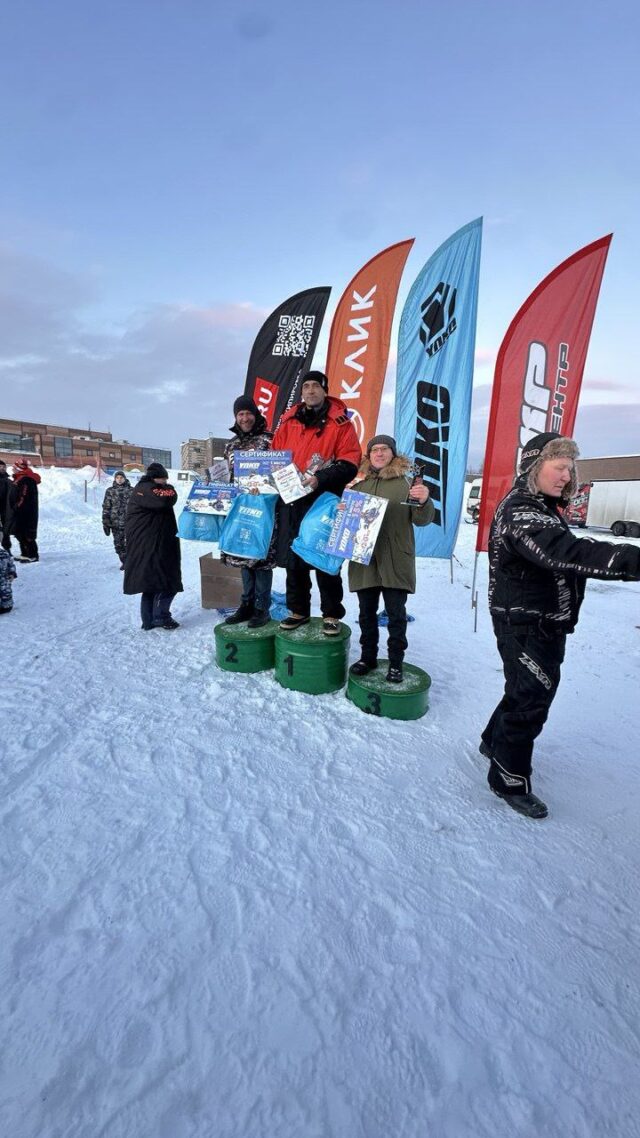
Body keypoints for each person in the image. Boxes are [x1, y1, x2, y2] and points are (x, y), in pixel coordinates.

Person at [482, 431, 640, 820]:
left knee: (522, 690)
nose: (567, 476)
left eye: (571, 468)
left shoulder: (544, 507)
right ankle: (508, 778)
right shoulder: (521, 510)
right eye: (559, 467)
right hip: (525, 623)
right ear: (534, 467)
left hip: (540, 622)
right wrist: (631, 560)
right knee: (531, 700)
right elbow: (564, 552)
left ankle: (493, 742)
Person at [272, 370, 361, 634]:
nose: (310, 391)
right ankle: (298, 610)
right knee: (294, 557)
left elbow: (350, 463)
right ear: (302, 392)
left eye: (315, 386)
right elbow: (275, 457)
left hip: (324, 501)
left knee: (325, 558)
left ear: (325, 390)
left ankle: (331, 614)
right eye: (306, 386)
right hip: (292, 500)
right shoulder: (288, 421)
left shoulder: (341, 423)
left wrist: (319, 478)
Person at [347, 436, 434, 682]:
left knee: (396, 615)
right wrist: (343, 511)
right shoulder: (358, 486)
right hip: (365, 560)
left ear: (393, 454)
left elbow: (422, 520)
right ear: (369, 456)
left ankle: (396, 663)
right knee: (366, 614)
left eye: (384, 449)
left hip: (395, 558)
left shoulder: (408, 483)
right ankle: (368, 657)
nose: (379, 453)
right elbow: (347, 524)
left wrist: (424, 501)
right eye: (374, 450)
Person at [222, 396, 275, 628]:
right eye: (240, 414)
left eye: (248, 413)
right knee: (242, 555)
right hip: (239, 507)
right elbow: (228, 476)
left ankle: (262, 609)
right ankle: (246, 605)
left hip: (263, 507)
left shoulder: (270, 440)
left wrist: (265, 486)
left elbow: (280, 469)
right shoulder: (230, 445)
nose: (245, 418)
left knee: (261, 558)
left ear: (256, 414)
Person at [123, 462, 183, 630]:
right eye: (163, 479)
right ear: (155, 478)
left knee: (150, 584)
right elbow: (166, 499)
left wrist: (168, 488)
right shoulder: (146, 489)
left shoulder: (147, 488)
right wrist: (170, 488)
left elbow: (168, 497)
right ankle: (160, 617)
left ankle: (149, 620)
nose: (165, 482)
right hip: (151, 545)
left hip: (151, 543)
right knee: (166, 581)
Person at [9, 458, 41, 562]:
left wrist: (16, 507)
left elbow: (23, 496)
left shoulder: (26, 480)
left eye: (14, 467)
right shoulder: (19, 478)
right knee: (19, 533)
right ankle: (25, 553)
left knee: (27, 533)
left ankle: (32, 555)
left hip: (26, 512)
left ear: (19, 468)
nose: (12, 469)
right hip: (20, 511)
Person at [102, 470, 132, 569]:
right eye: (117, 478)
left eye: (121, 478)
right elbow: (106, 507)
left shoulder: (132, 490)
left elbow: (137, 507)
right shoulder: (110, 491)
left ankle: (130, 563)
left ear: (125, 478)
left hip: (129, 523)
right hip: (115, 523)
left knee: (130, 544)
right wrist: (105, 522)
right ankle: (124, 562)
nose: (119, 480)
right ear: (115, 479)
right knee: (118, 545)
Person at [0, 459, 12, 552]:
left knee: (5, 530)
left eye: (4, 467)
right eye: (1, 467)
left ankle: (7, 549)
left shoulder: (8, 480)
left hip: (6, 509)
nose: (3, 468)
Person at [0, 546, 17, 614]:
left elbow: (11, 565)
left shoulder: (4, 553)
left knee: (6, 593)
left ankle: (6, 606)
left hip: (4, 579)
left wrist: (12, 573)